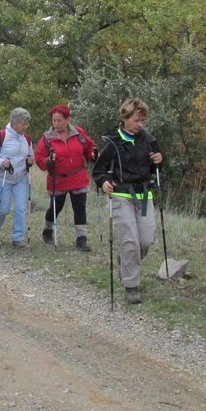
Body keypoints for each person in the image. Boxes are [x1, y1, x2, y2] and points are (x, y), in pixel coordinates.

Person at [92, 98, 163, 304]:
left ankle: (126, 261)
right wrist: (104, 182)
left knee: (146, 240)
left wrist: (159, 161)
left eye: (142, 120)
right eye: (137, 120)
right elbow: (99, 171)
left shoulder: (148, 140)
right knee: (129, 241)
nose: (140, 124)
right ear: (125, 118)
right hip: (121, 195)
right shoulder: (112, 142)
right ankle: (131, 286)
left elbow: (156, 170)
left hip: (144, 195)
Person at [34, 105, 97, 251]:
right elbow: (39, 159)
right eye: (54, 120)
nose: (56, 124)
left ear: (68, 119)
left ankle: (81, 239)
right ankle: (47, 231)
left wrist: (93, 155)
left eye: (59, 121)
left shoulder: (78, 133)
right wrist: (48, 161)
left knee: (79, 208)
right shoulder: (47, 138)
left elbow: (89, 148)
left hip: (78, 177)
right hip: (58, 179)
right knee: (56, 208)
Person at [0, 107, 35, 248]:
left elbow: (30, 154)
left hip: (21, 178)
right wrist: (2, 162)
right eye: (23, 124)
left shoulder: (26, 138)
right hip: (3, 177)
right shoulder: (1, 135)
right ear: (14, 123)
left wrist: (31, 159)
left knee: (21, 208)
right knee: (3, 209)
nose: (26, 126)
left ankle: (18, 238)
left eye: (27, 124)